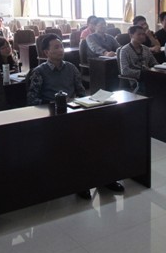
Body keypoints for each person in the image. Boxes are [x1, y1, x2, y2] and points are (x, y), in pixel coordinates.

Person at [27, 35, 124, 196]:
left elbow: (81, 93)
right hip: (53, 118)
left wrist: (87, 101)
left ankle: (105, 177)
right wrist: (54, 103)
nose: (61, 50)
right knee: (77, 144)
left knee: (103, 136)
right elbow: (32, 101)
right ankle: (80, 182)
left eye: (61, 46)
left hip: (74, 112)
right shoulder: (39, 72)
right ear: (46, 52)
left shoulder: (71, 68)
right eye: (56, 47)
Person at [119, 25, 159, 91]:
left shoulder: (146, 49)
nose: (142, 36)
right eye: (139, 34)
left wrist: (161, 68)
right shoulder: (124, 50)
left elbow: (154, 63)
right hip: (135, 81)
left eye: (143, 34)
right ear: (131, 35)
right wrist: (142, 73)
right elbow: (125, 71)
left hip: (148, 77)